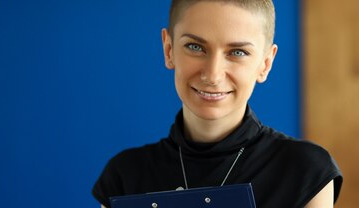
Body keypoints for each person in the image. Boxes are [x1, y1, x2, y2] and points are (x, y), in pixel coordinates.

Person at [92, 0, 343, 207]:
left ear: (265, 64)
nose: (212, 75)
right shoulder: (124, 176)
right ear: (168, 49)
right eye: (195, 46)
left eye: (238, 52)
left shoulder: (306, 171)